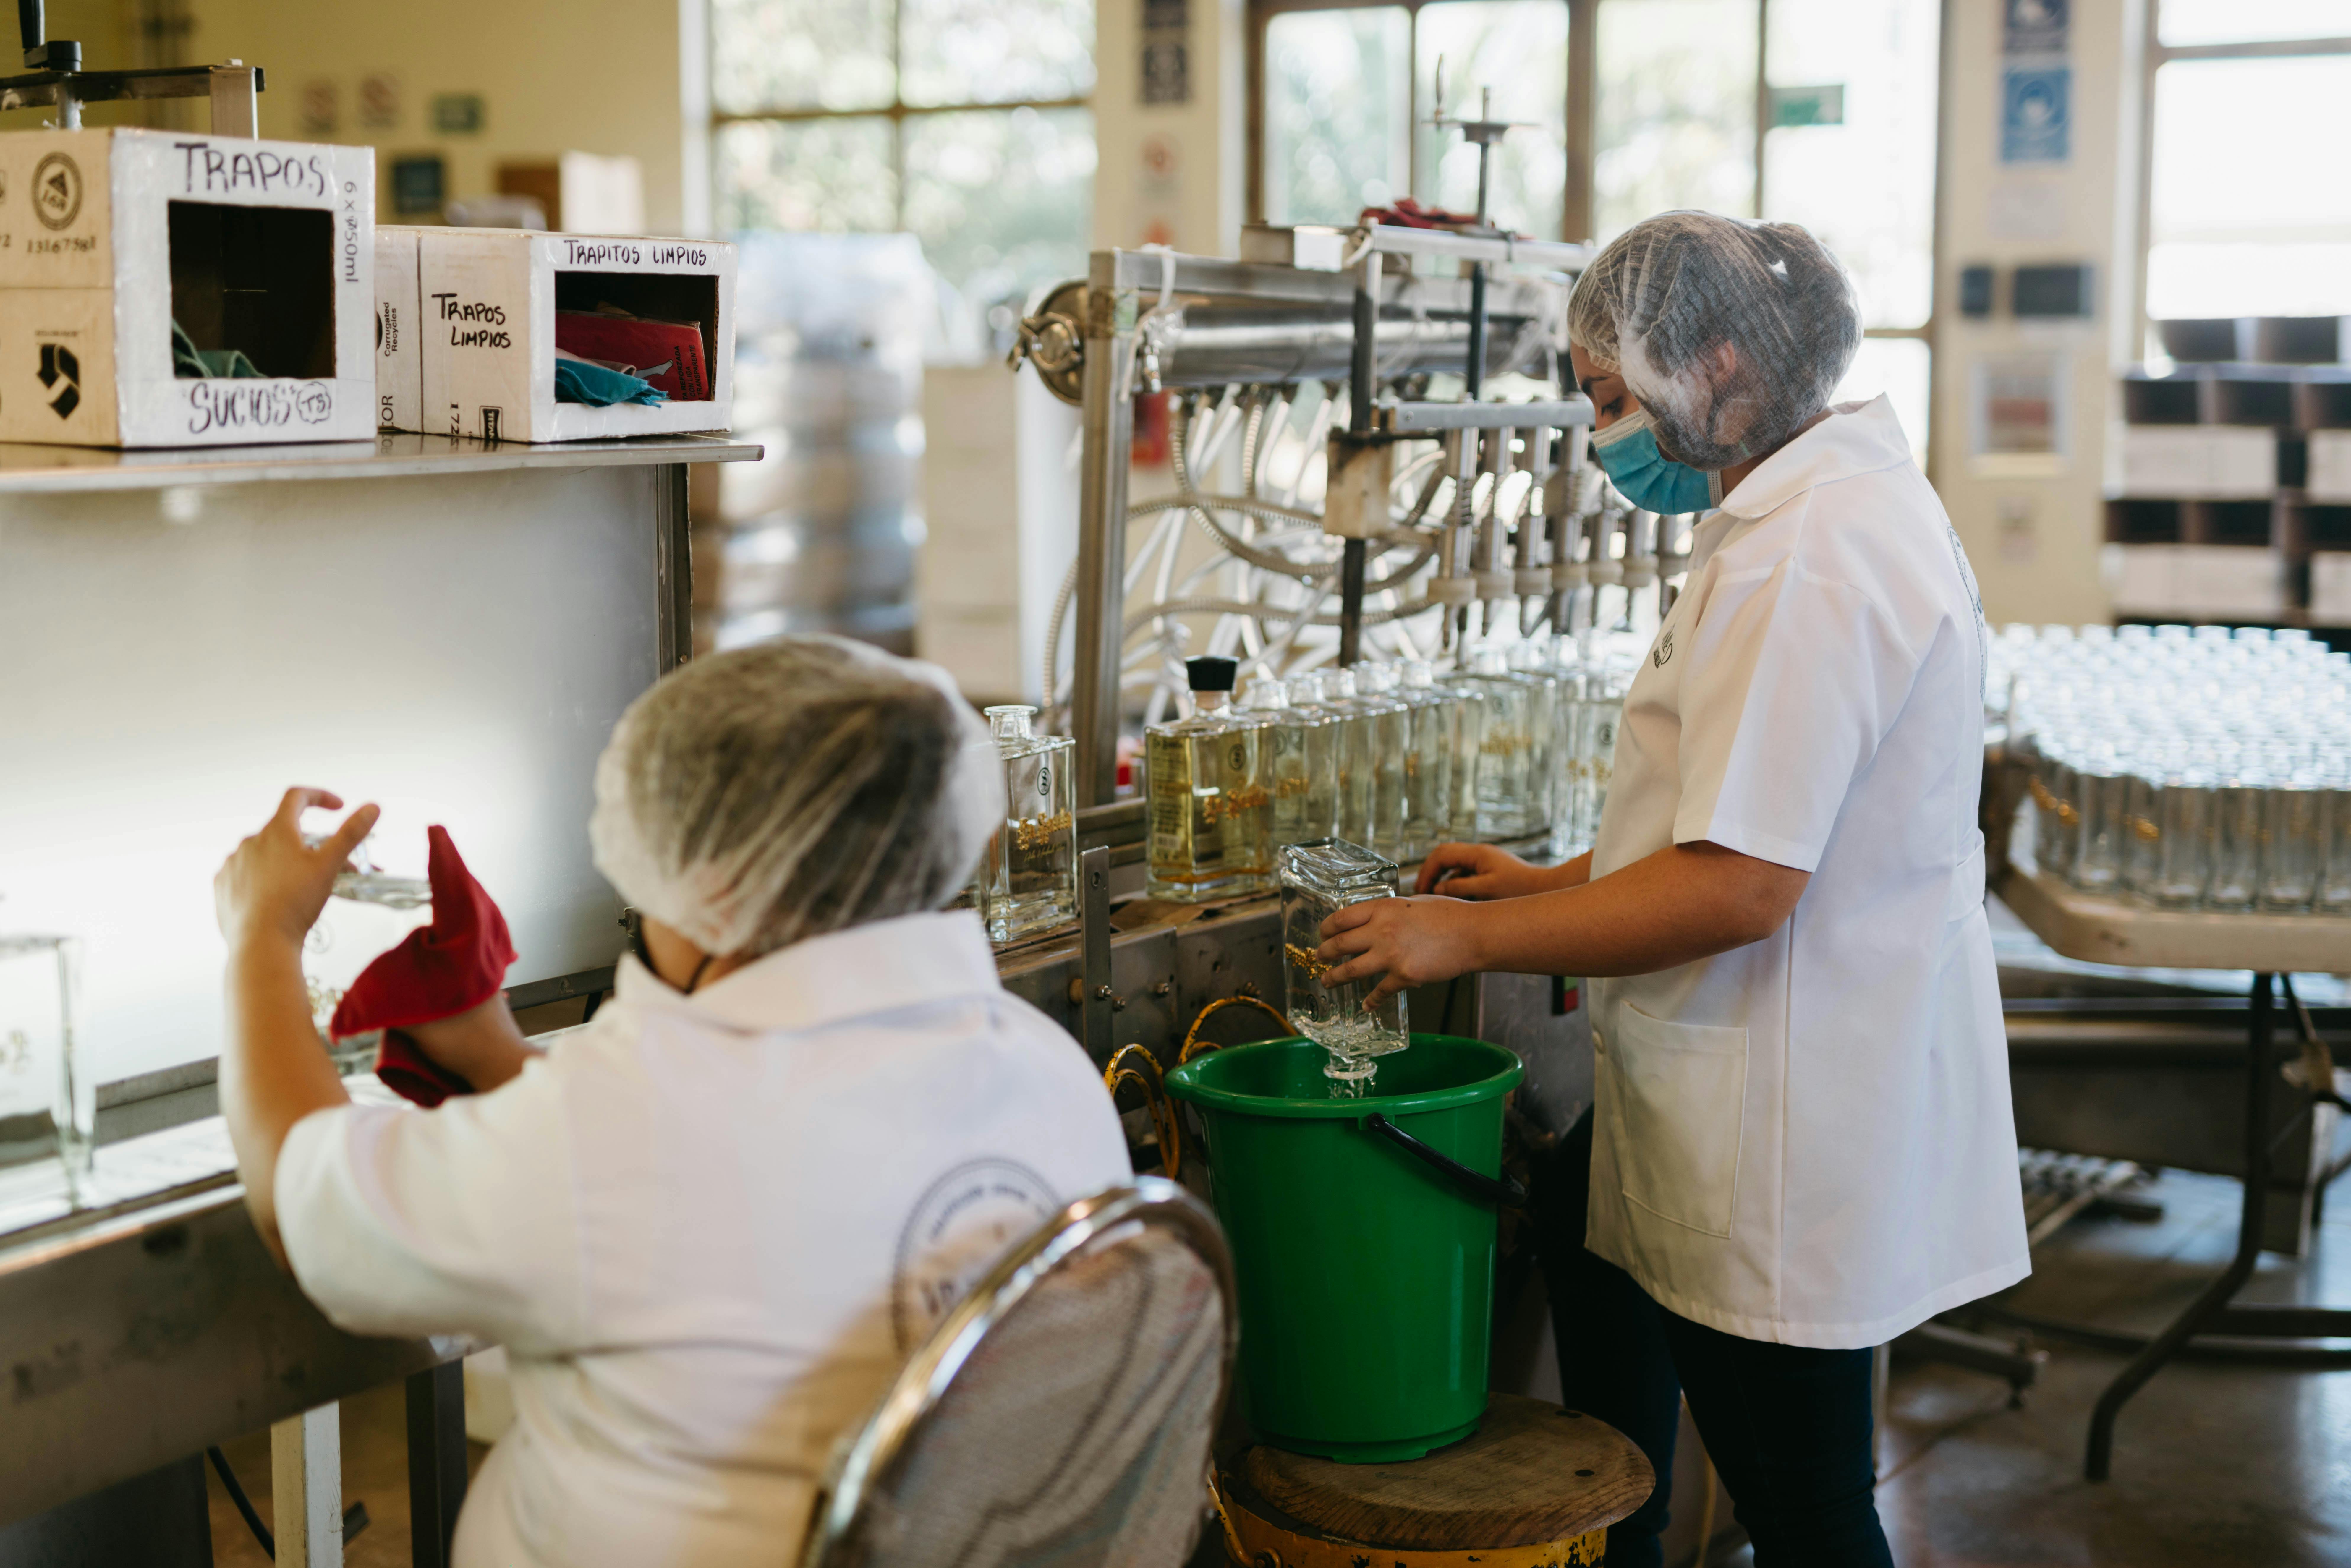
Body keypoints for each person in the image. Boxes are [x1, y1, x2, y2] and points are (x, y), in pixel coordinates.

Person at [1316, 212, 2026, 1566]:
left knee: (1804, 1508)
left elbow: (1741, 884)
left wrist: (1457, 939)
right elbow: (1731, 816)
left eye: (1605, 399)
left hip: (1780, 1112)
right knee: (1726, 1449)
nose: (1601, 440)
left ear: (1719, 366)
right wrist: (1541, 884)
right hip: (1764, 1078)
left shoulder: (1806, 555)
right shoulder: (1809, 512)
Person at [211, 636, 1132, 1568]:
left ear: (715, 883)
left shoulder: (621, 1129)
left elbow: (301, 1202)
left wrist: (263, 933)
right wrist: (496, 1057)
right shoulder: (1049, 1076)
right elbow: (752, 1170)